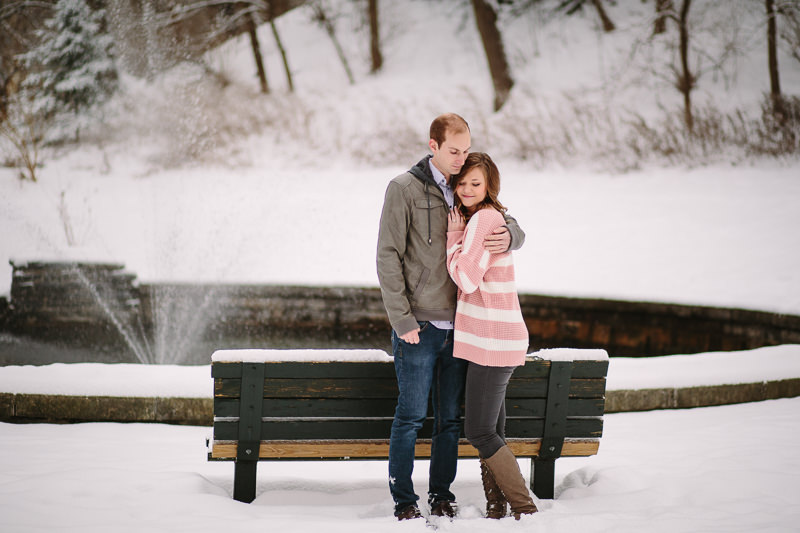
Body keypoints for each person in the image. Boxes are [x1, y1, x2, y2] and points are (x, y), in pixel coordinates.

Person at [376, 114, 526, 521]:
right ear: (433, 146)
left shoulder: (464, 189)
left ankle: (441, 495)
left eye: (465, 150)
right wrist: (401, 319)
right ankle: (404, 501)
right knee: (410, 417)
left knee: (448, 420)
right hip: (419, 327)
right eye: (453, 151)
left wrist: (514, 233)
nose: (461, 160)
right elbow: (387, 256)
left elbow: (491, 214)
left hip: (461, 329)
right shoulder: (404, 188)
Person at [445, 152, 538, 520]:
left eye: (475, 183)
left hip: (492, 342)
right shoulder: (485, 217)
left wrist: (453, 238)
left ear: (489, 187)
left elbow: (466, 278)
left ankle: (523, 507)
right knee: (493, 429)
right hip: (495, 338)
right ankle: (497, 506)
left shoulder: (483, 218)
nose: (466, 189)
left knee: (480, 431)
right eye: (462, 182)